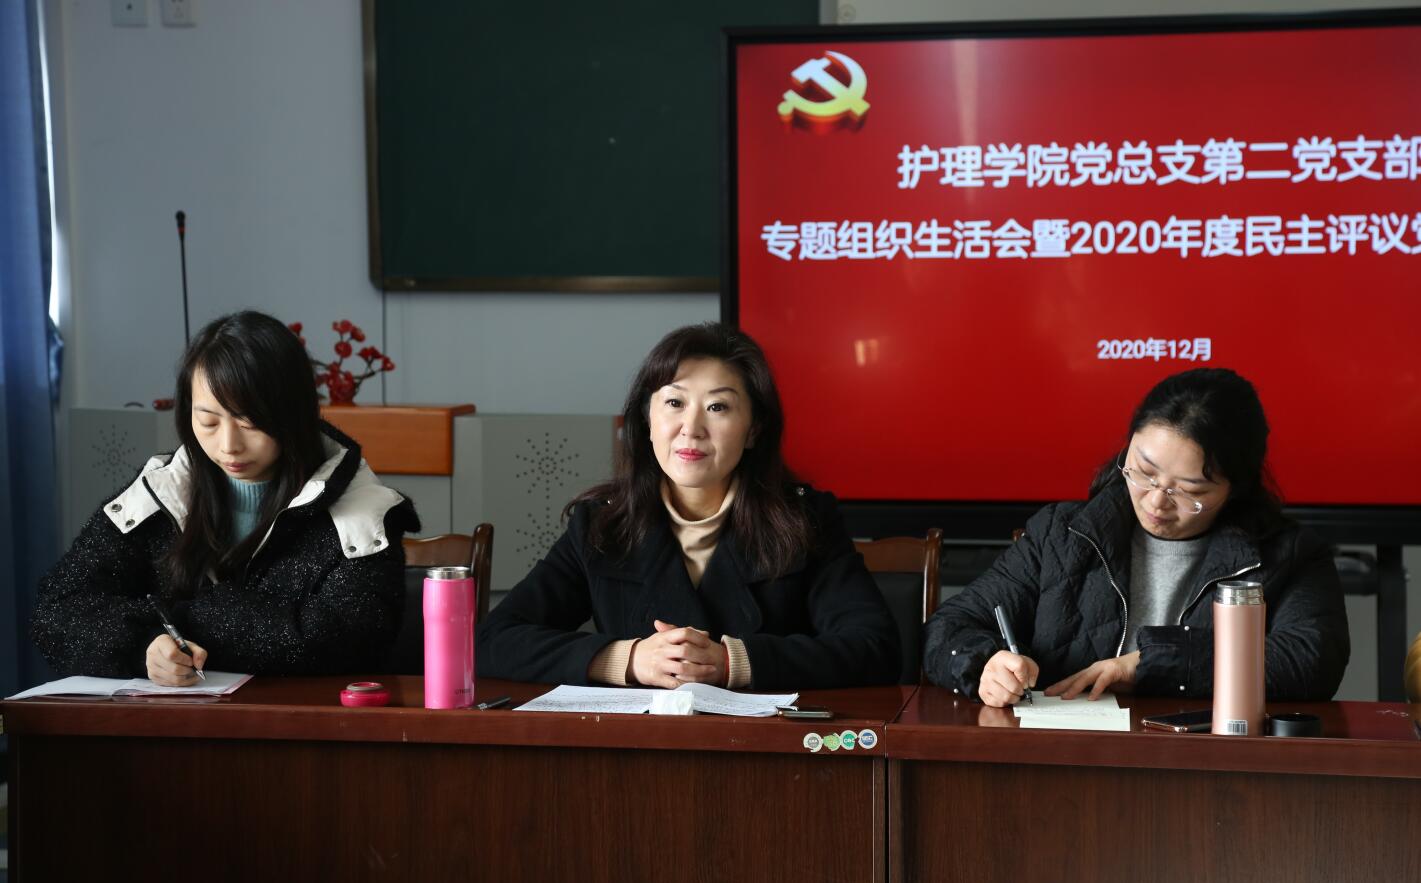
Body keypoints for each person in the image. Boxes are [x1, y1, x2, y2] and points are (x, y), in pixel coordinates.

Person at [477, 322, 899, 690]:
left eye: (718, 407)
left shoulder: (804, 520)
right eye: (675, 403)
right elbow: (493, 640)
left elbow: (876, 647)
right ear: (647, 419)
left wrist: (733, 663)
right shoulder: (603, 523)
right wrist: (627, 659)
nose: (691, 428)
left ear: (753, 430)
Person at [31, 310, 419, 684]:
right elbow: (57, 609)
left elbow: (353, 638)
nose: (228, 445)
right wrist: (143, 647)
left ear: (294, 414)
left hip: (304, 722)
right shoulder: (163, 492)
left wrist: (184, 620)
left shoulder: (362, 511)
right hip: (178, 723)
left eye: (250, 423)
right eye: (209, 421)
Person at [924, 367, 1349, 707]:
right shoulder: (1062, 533)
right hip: (1066, 758)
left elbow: (1311, 662)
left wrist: (1152, 663)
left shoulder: (1287, 554)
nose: (1156, 502)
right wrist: (984, 664)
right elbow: (949, 627)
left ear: (1235, 488)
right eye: (1144, 472)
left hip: (1210, 762)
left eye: (1189, 491)